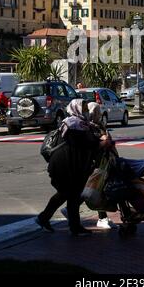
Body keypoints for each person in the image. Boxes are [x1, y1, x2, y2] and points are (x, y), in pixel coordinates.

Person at [36, 98, 102, 236]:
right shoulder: (74, 124)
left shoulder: (81, 123)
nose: (86, 111)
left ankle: (43, 218)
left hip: (70, 165)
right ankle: (75, 228)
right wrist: (101, 143)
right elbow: (85, 143)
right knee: (72, 195)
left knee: (64, 194)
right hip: (63, 166)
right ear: (76, 109)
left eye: (86, 108)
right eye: (83, 108)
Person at [61, 102, 118, 229]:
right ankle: (101, 218)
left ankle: (99, 217)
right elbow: (91, 144)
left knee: (94, 188)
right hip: (93, 163)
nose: (93, 113)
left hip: (99, 161)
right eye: (94, 111)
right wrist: (103, 140)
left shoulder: (90, 124)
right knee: (96, 187)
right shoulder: (83, 125)